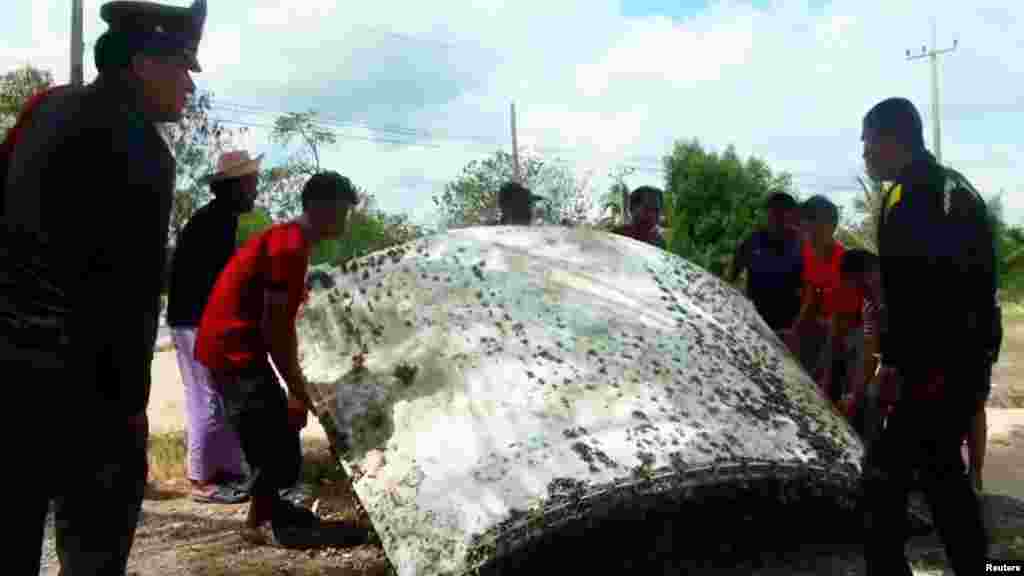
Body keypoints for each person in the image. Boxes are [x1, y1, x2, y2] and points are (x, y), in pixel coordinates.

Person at [3, 1, 206, 573]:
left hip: (9, 377)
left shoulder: (44, 108)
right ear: (143, 64)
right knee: (94, 549)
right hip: (85, 392)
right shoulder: (144, 151)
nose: (189, 85)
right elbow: (129, 298)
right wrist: (131, 410)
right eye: (182, 67)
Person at [860, 96, 994, 575]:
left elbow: (913, 293)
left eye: (868, 143)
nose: (865, 154)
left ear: (892, 139)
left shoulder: (906, 196)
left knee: (883, 479)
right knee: (942, 476)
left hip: (930, 369)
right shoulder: (960, 188)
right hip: (966, 363)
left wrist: (894, 365)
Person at [194, 171, 359, 545]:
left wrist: (295, 389)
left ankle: (266, 516)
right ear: (323, 207)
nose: (346, 220)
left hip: (235, 344)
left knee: (276, 430)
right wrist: (298, 390)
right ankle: (265, 525)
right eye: (344, 211)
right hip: (232, 347)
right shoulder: (289, 247)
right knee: (269, 434)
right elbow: (275, 328)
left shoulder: (290, 240)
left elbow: (284, 322)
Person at [167, 150, 262, 503]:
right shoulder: (216, 222)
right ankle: (202, 479)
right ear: (235, 186)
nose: (255, 190)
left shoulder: (219, 218)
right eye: (251, 183)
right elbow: (221, 282)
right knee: (207, 400)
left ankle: (225, 470)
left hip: (195, 318)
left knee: (214, 398)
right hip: (194, 319)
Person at [788, 195, 863, 403]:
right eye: (805, 221)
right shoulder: (808, 252)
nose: (807, 228)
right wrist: (795, 331)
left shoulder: (845, 264)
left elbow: (842, 325)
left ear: (831, 226)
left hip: (852, 336)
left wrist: (823, 375)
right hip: (825, 327)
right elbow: (811, 296)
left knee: (830, 391)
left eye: (813, 221)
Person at [728, 192, 803, 335]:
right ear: (767, 213)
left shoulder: (801, 244)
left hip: (787, 328)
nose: (777, 217)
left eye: (783, 212)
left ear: (792, 216)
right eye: (773, 211)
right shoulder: (752, 240)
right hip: (753, 322)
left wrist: (796, 329)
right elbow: (731, 276)